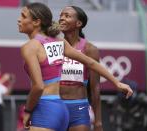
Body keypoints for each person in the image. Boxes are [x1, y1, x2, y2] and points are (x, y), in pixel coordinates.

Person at [17, 2, 133, 131]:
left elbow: (38, 86)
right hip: (61, 107)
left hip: (54, 106)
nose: (19, 20)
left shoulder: (32, 46)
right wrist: (117, 83)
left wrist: (27, 110)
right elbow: (91, 63)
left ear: (36, 22)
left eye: (23, 16)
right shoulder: (58, 41)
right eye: (61, 15)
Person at [59, 6, 102, 131]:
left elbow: (95, 88)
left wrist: (98, 122)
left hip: (79, 108)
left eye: (67, 16)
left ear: (79, 23)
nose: (62, 18)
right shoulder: (53, 46)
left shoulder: (90, 49)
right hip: (56, 107)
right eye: (61, 15)